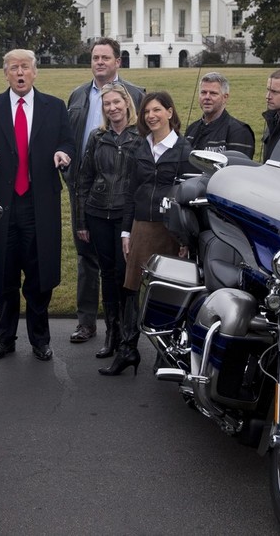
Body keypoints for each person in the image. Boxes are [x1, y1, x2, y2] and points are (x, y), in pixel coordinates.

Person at [0, 50, 74, 362]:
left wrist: (63, 154)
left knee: (39, 276)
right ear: (6, 74)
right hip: (2, 203)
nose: (20, 73)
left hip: (39, 204)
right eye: (14, 68)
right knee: (4, 274)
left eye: (26, 67)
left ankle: (40, 340)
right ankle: (5, 339)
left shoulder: (54, 106)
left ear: (35, 72)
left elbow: (67, 142)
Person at [101, 92, 192, 376]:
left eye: (156, 110)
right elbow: (131, 192)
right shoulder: (139, 148)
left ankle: (166, 353)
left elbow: (190, 197)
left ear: (169, 111)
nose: (150, 116)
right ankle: (128, 349)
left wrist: (185, 239)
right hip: (141, 226)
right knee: (131, 289)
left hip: (171, 230)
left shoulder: (185, 150)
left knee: (169, 292)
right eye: (146, 112)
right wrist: (126, 231)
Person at [64, 38, 145, 345]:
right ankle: (86, 322)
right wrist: (70, 175)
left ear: (117, 62)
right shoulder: (78, 95)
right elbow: (68, 138)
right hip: (85, 188)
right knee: (87, 256)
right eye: (95, 57)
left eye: (105, 57)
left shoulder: (136, 94)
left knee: (123, 261)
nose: (99, 62)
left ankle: (125, 327)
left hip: (124, 194)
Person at [75, 84, 142, 359]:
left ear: (127, 103)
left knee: (126, 275)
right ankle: (111, 334)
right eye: (107, 104)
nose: (112, 108)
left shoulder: (139, 137)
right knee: (107, 273)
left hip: (126, 216)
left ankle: (129, 336)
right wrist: (81, 221)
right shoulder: (97, 137)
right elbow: (84, 179)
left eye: (117, 102)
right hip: (98, 212)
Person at [184, 72, 255, 158]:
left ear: (225, 97)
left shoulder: (239, 132)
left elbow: (238, 169)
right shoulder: (191, 130)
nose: (207, 97)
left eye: (213, 93)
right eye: (203, 92)